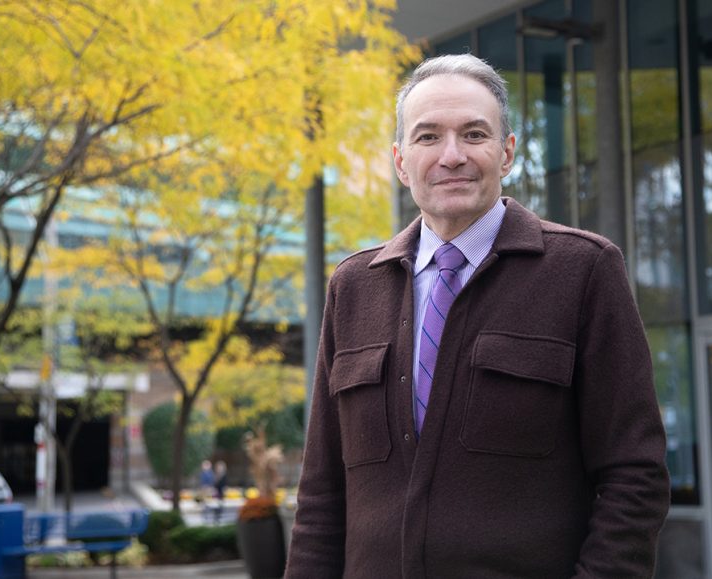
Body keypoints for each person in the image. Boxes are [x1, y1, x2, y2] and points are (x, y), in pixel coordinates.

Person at [284, 53, 670, 578]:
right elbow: (322, 491)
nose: (451, 156)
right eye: (427, 137)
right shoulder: (352, 287)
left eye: (473, 134)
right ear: (400, 161)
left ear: (506, 152)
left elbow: (634, 475)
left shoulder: (584, 270)